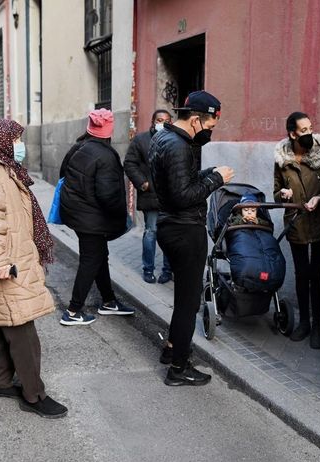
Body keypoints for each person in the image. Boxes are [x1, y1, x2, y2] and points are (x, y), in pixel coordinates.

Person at [0, 118, 67, 419]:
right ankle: (34, 395)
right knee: (22, 331)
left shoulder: (0, 166)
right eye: (15, 139)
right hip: (6, 263)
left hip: (13, 257)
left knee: (4, 322)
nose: (19, 145)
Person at [149, 90, 234, 386]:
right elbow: (183, 195)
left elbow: (178, 182)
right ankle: (178, 369)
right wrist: (216, 179)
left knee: (183, 297)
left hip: (171, 226)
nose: (210, 132)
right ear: (196, 120)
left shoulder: (164, 138)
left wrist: (206, 173)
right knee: (188, 303)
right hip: (185, 230)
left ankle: (172, 348)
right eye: (209, 126)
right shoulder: (178, 146)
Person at [59, 108, 136, 326]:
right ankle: (73, 311)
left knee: (99, 257)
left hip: (77, 214)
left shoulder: (78, 147)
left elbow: (63, 176)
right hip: (92, 219)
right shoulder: (106, 155)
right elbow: (109, 196)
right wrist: (120, 218)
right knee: (91, 260)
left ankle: (109, 301)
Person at [273, 111, 320, 348]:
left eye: (310, 128)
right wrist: (283, 195)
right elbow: (276, 192)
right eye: (304, 130)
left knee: (316, 275)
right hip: (296, 223)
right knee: (301, 274)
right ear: (292, 134)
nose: (309, 133)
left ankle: (318, 325)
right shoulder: (282, 160)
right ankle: (304, 323)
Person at [124, 109, 174, 284]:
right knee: (151, 232)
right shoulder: (141, 140)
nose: (163, 123)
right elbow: (129, 163)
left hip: (171, 197)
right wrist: (142, 182)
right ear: (153, 122)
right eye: (160, 120)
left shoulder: (176, 140)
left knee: (169, 234)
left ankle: (168, 270)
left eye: (167, 120)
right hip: (150, 195)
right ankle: (148, 269)